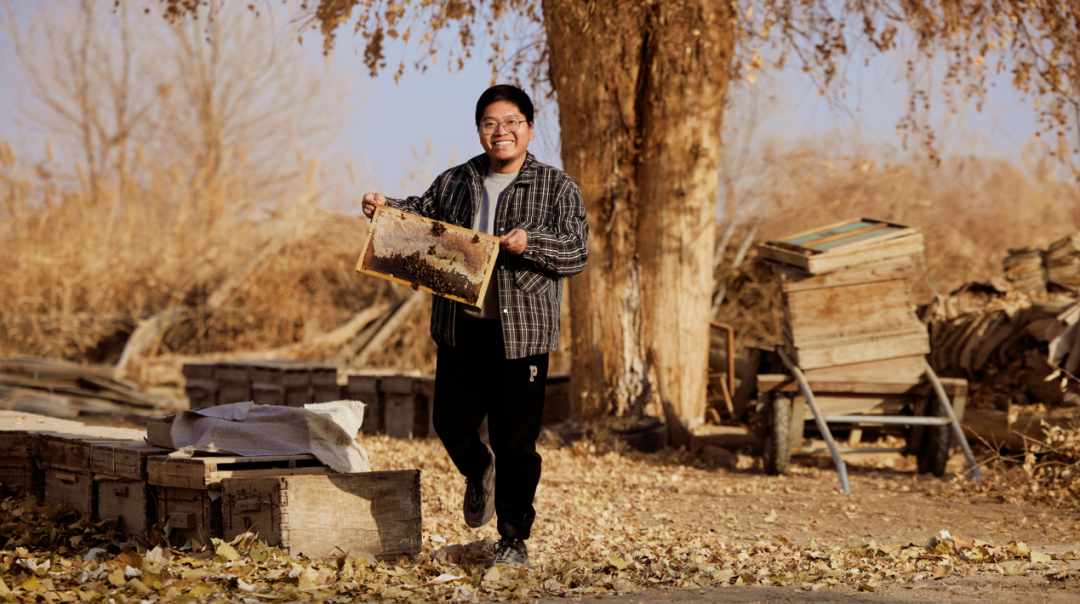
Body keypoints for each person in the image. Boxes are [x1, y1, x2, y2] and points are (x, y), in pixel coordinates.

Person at [361, 84, 589, 568]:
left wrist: (533, 242)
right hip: (460, 327)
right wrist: (386, 208)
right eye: (490, 123)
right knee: (450, 423)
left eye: (511, 123)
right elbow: (421, 216)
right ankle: (478, 469)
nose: (500, 132)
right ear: (480, 130)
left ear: (528, 127)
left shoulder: (556, 187)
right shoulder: (457, 180)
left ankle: (512, 539)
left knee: (516, 442)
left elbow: (577, 253)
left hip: (521, 335)